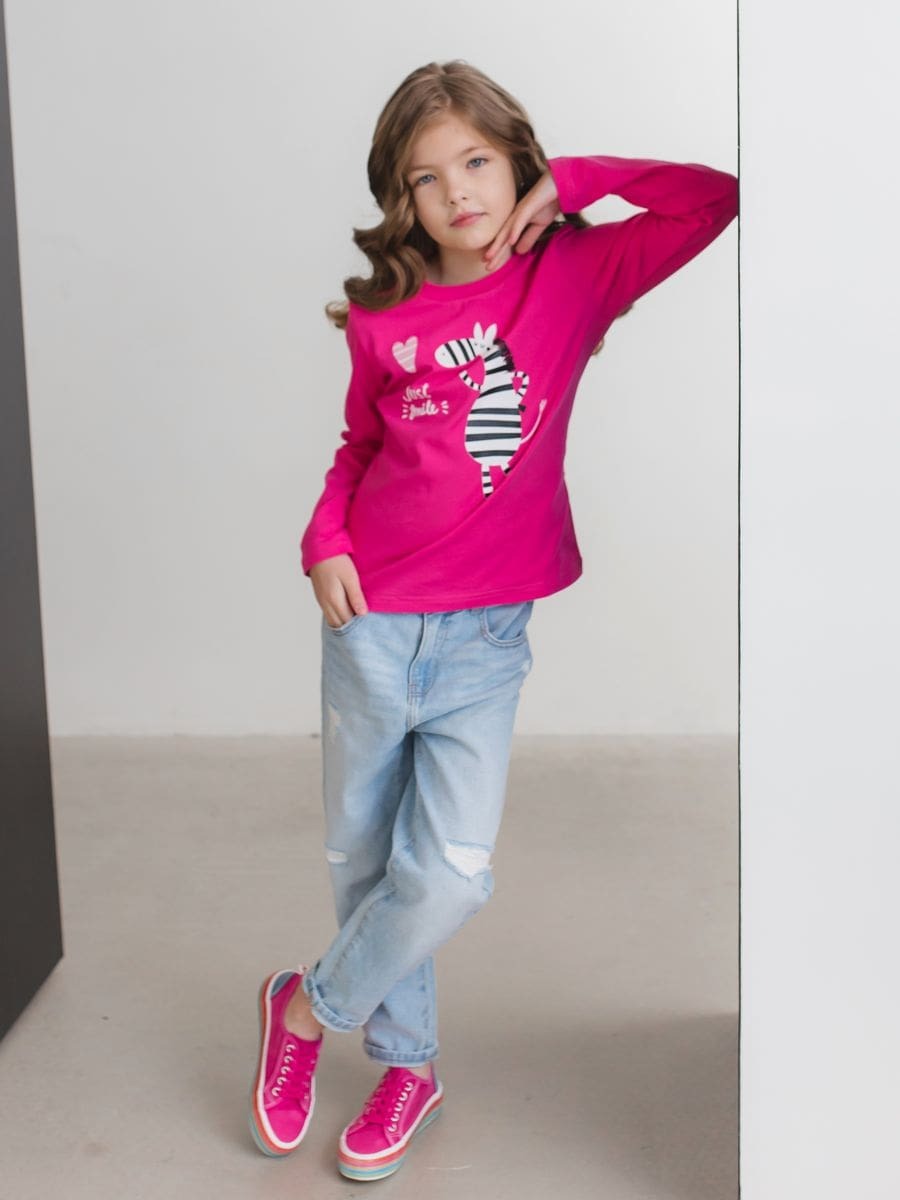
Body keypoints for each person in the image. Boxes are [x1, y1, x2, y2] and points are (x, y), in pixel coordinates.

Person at [248, 59, 738, 1182]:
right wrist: (324, 539)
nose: (458, 191)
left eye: (477, 161)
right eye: (427, 178)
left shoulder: (577, 270)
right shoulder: (386, 315)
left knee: (449, 874)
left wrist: (577, 180)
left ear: (518, 160)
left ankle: (306, 1009)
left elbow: (714, 199)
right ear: (401, 199)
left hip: (482, 640)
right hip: (371, 625)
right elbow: (359, 448)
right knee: (368, 863)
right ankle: (408, 1067)